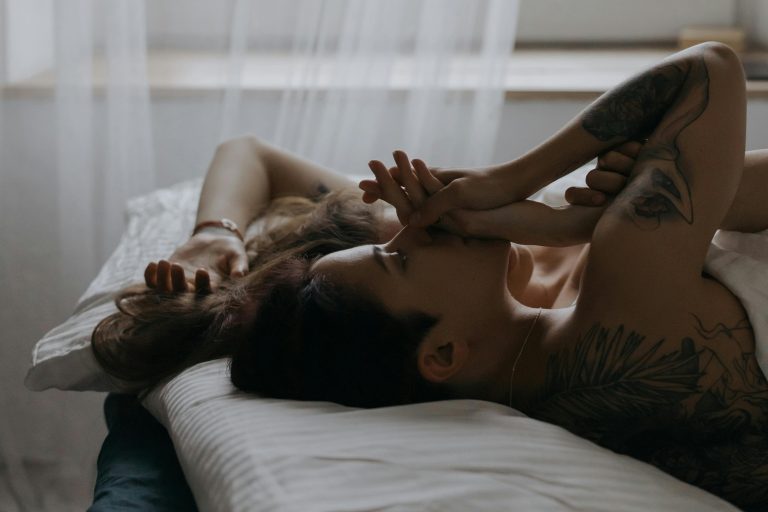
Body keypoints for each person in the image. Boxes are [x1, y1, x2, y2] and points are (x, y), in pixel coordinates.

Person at [91, 42, 768, 509]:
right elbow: (708, 67)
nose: (421, 225)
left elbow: (251, 153)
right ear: (443, 354)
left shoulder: (557, 346)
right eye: (399, 256)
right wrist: (514, 181)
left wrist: (575, 221)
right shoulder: (622, 291)